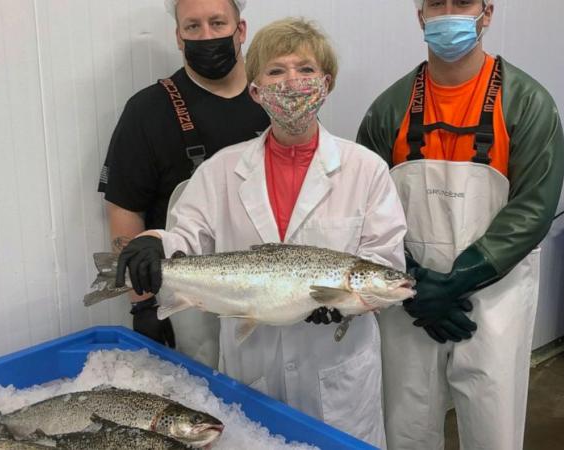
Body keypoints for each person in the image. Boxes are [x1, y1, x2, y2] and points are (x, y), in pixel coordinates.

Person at [115, 18, 407, 447]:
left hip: (336, 367)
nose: (292, 82)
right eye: (275, 71)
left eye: (306, 70)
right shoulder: (221, 170)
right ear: (255, 90)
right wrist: (154, 243)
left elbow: (386, 261)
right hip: (252, 362)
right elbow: (188, 236)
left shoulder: (366, 169)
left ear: (327, 84)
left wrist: (347, 305)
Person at [357, 1, 564, 449]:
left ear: (487, 13)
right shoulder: (388, 109)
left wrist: (458, 280)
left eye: (463, 2)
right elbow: (366, 206)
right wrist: (412, 280)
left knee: (493, 425)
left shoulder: (528, 104)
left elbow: (534, 207)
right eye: (436, 3)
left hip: (494, 298)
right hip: (408, 298)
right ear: (420, 16)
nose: (448, 12)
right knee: (406, 424)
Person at [98, 0, 269, 363]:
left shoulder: (272, 98)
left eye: (217, 23)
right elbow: (124, 209)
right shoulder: (146, 111)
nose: (206, 36)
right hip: (189, 305)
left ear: (241, 30)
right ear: (178, 37)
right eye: (193, 27)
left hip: (268, 295)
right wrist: (141, 304)